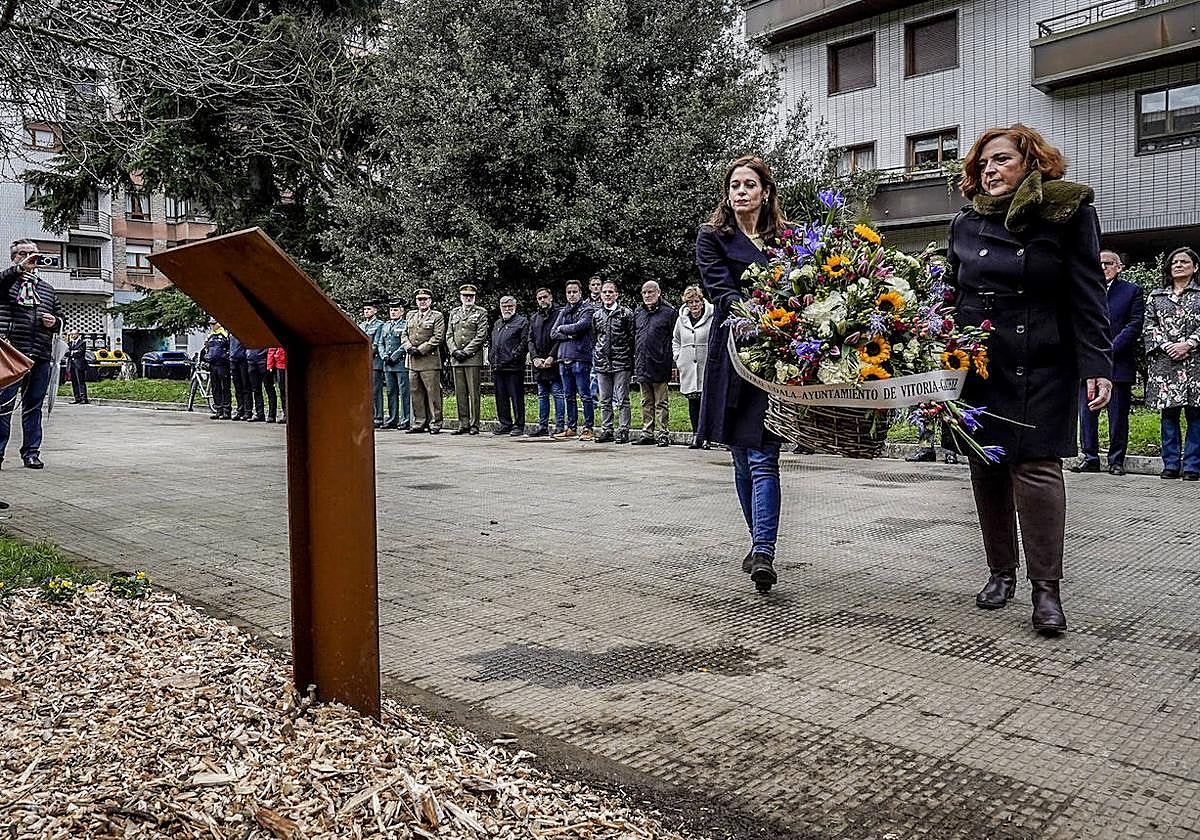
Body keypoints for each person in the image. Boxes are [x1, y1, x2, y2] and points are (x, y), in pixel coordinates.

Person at [948, 124, 1111, 635]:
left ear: (1031, 162)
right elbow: (953, 299)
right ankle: (1001, 573)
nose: (989, 172)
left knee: (1038, 471)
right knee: (988, 470)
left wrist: (1097, 365)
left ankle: (1048, 593)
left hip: (1044, 362)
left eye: (999, 161)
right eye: (981, 166)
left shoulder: (1067, 213)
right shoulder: (965, 224)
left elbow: (1088, 296)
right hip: (980, 366)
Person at [696, 156, 787, 593]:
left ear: (765, 191)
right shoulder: (712, 237)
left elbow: (800, 284)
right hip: (733, 352)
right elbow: (719, 287)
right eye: (735, 185)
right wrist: (752, 312)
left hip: (775, 354)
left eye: (750, 184)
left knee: (763, 454)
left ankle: (764, 550)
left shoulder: (786, 239)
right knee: (739, 456)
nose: (742, 192)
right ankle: (758, 541)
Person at [1071, 250, 1144, 476]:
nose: (1103, 267)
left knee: (1118, 417)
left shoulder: (1132, 291)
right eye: (1099, 263)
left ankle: (1116, 461)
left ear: (1119, 267)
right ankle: (1090, 457)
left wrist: (1106, 351)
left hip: (1118, 363)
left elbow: (1134, 325)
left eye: (1108, 264)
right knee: (1087, 414)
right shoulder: (1084, 291)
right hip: (1088, 364)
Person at [0, 239, 63, 469]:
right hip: (11, 355)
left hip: (40, 355)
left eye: (34, 254)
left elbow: (60, 318)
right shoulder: (7, 282)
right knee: (3, 406)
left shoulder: (46, 288)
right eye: (24, 254)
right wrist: (18, 270)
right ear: (14, 257)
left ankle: (31, 452)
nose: (30, 258)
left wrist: (55, 322)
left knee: (33, 405)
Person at [1143, 247, 1200, 480]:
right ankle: (1171, 464)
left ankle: (1193, 466)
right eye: (1174, 262)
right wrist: (1167, 345)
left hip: (1195, 363)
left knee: (1196, 416)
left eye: (1185, 262)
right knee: (1169, 416)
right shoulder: (1156, 296)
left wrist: (1189, 344)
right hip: (1165, 364)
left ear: (1195, 268)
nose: (1178, 265)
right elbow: (1148, 325)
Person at [632, 281, 677, 447]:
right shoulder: (638, 313)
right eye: (644, 293)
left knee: (661, 402)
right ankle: (647, 432)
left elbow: (674, 338)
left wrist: (671, 362)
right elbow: (634, 337)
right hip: (642, 364)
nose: (647, 295)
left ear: (658, 293)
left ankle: (663, 432)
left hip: (660, 363)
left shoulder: (669, 312)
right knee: (646, 401)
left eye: (651, 292)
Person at [550, 280, 595, 441]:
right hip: (563, 358)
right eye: (569, 292)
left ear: (580, 293)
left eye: (574, 292)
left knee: (584, 394)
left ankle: (588, 428)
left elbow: (580, 326)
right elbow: (553, 333)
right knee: (568, 395)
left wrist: (564, 329)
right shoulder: (563, 311)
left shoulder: (587, 309)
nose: (571, 295)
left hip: (581, 357)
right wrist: (568, 333)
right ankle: (571, 427)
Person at [591, 280, 635, 444]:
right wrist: (598, 354)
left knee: (623, 398)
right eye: (604, 292)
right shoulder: (596, 315)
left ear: (616, 294)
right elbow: (595, 337)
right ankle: (607, 429)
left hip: (621, 362)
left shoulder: (626, 313)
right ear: (600, 295)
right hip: (602, 363)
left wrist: (627, 357)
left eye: (610, 292)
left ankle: (624, 430)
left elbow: (631, 337)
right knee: (605, 399)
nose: (607, 295)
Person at [672, 285, 714, 449]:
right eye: (690, 302)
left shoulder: (712, 316)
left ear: (702, 301)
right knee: (693, 401)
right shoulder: (681, 319)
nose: (694, 305)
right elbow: (676, 340)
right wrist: (678, 357)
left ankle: (707, 436)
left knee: (706, 401)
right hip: (688, 365)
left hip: (706, 364)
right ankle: (696, 435)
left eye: (697, 301)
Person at [446, 284, 489, 435]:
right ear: (460, 297)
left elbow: (481, 335)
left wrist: (466, 351)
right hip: (457, 358)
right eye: (465, 296)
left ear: (475, 297)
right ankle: (463, 423)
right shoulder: (454, 312)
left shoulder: (481, 312)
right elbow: (449, 334)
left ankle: (474, 424)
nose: (468, 298)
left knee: (473, 393)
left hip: (471, 358)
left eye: (471, 296)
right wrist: (454, 351)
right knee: (460, 392)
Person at [403, 288, 446, 434]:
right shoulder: (411, 315)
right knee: (416, 393)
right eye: (419, 299)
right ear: (416, 301)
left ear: (430, 301)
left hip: (429, 360)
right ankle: (419, 422)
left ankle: (435, 423)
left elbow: (438, 337)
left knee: (433, 393)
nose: (422, 302)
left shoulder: (437, 316)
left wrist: (421, 349)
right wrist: (409, 347)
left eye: (425, 299)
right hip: (412, 361)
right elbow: (404, 334)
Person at [489, 296, 529, 435]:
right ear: (500, 307)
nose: (507, 309)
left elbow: (524, 343)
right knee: (501, 397)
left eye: (510, 306)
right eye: (504, 306)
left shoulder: (522, 321)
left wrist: (514, 356)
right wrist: (491, 357)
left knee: (516, 397)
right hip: (498, 366)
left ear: (515, 306)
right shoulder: (497, 323)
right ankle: (505, 423)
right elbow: (494, 342)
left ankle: (519, 424)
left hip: (514, 367)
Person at [528, 287, 564, 437]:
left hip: (554, 361)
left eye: (545, 297)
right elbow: (530, 340)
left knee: (557, 393)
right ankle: (542, 426)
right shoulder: (535, 318)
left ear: (551, 297)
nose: (542, 300)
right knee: (542, 394)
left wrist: (551, 356)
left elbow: (560, 337)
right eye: (539, 298)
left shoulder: (559, 314)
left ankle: (560, 426)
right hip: (539, 363)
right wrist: (535, 357)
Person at [377, 300, 412, 430]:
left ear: (402, 312)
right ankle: (392, 419)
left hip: (400, 363)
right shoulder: (385, 326)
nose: (393, 312)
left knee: (404, 392)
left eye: (396, 310)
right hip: (387, 364)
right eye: (391, 310)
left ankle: (406, 419)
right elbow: (380, 342)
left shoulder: (405, 325)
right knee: (391, 392)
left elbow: (405, 343)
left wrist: (395, 356)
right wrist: (384, 355)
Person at [358, 302, 386, 428]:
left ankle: (378, 417)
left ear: (375, 311)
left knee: (376, 391)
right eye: (364, 309)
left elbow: (376, 343)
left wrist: (366, 352)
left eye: (369, 309)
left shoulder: (380, 325)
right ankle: (368, 416)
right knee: (365, 391)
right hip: (363, 361)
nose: (366, 311)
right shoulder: (362, 325)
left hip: (374, 361)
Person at [201, 318, 231, 420]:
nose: (212, 326)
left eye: (214, 324)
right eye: (211, 324)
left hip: (223, 365)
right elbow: (206, 348)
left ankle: (226, 410)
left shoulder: (225, 334)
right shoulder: (210, 335)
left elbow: (229, 348)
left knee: (225, 387)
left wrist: (225, 357)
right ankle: (218, 409)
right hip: (212, 365)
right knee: (215, 388)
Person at [229, 334, 251, 421]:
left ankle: (248, 411)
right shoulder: (230, 335)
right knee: (238, 388)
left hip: (243, 361)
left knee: (245, 386)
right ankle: (240, 410)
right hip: (233, 360)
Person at [244, 347, 269, 422]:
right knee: (256, 390)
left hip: (263, 361)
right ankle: (259, 414)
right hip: (251, 362)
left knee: (269, 388)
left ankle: (271, 414)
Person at [66, 331, 89, 404]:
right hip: (72, 365)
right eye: (71, 334)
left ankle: (84, 398)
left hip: (79, 365)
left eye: (74, 334)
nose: (72, 335)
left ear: (78, 334)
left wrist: (72, 352)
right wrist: (73, 352)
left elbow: (80, 353)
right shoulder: (69, 344)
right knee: (74, 382)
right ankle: (77, 398)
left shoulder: (82, 343)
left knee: (80, 382)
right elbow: (66, 353)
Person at [266, 346, 286, 424]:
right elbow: (272, 349)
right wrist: (270, 365)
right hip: (280, 365)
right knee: (282, 390)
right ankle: (285, 413)